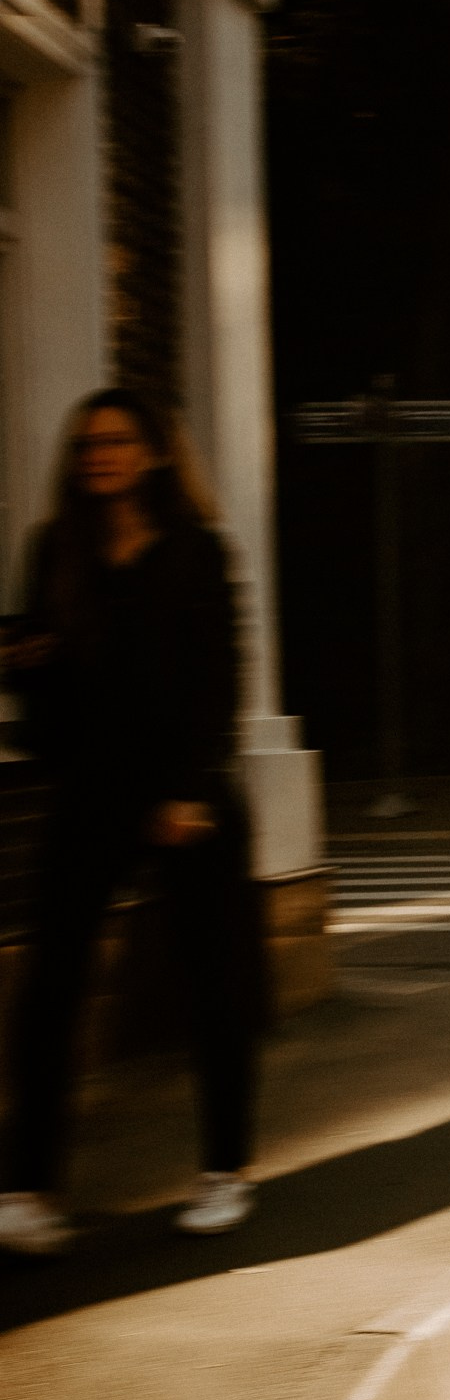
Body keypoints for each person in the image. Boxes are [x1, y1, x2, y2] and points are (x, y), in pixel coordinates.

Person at [0, 389, 264, 1257]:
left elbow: (220, 679)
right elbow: (41, 692)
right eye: (87, 445)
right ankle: (31, 1187)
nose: (99, 456)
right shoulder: (57, 553)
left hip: (184, 800)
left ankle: (224, 1172)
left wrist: (191, 789)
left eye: (116, 441)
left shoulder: (195, 552)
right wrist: (28, 663)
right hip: (90, 796)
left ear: (151, 452)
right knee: (50, 991)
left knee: (209, 986)